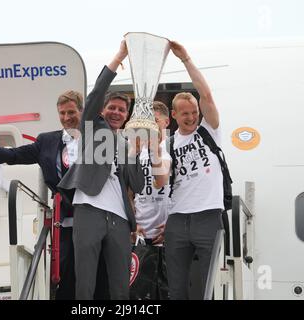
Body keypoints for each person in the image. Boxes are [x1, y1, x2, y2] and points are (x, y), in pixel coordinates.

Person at [0, 90, 108, 300]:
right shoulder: (46, 141)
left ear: (82, 111)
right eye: (62, 113)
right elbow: (12, 156)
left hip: (95, 221)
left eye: (71, 112)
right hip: (65, 224)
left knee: (98, 278)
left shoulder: (96, 138)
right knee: (65, 277)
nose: (66, 118)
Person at [58, 40, 158, 300]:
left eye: (121, 110)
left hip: (119, 219)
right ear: (102, 111)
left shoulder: (127, 143)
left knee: (120, 286)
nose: (116, 112)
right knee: (86, 282)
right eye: (111, 107)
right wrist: (119, 56)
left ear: (126, 116)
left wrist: (137, 152)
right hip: (89, 209)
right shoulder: (93, 127)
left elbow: (136, 185)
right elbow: (95, 93)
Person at [164, 41, 224, 300]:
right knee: (176, 287)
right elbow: (159, 183)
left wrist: (186, 59)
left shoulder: (208, 131)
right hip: (177, 219)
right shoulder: (167, 143)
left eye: (194, 112)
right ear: (175, 115)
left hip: (208, 216)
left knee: (210, 284)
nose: (191, 117)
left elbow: (206, 94)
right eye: (185, 114)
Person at [130, 101, 172, 300]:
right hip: (141, 233)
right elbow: (128, 192)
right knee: (139, 292)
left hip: (166, 233)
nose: (152, 127)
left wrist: (173, 223)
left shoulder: (172, 147)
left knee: (165, 291)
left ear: (166, 122)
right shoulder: (136, 150)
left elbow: (165, 179)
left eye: (155, 121)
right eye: (149, 124)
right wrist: (133, 223)